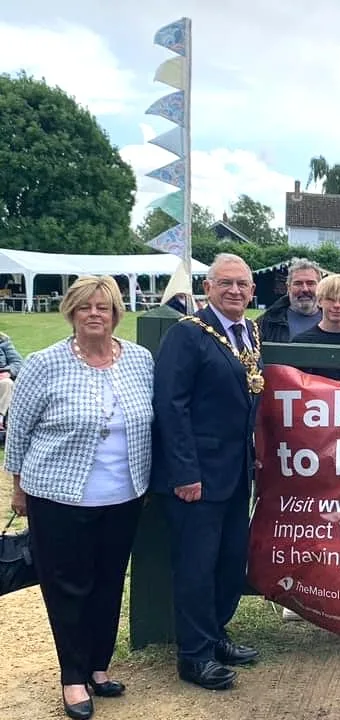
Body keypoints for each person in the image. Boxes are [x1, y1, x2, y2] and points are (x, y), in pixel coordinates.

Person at [5, 276, 154, 720]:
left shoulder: (140, 361)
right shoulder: (43, 363)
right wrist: (18, 487)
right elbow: (19, 429)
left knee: (109, 584)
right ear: (71, 312)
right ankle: (73, 675)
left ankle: (99, 666)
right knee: (68, 586)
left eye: (103, 307)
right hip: (58, 495)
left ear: (115, 314)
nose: (94, 314)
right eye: (85, 307)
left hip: (124, 494)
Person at [152, 253, 263, 691]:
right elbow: (171, 406)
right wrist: (184, 472)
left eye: (243, 285)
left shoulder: (249, 332)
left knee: (230, 559)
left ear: (253, 292)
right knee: (197, 566)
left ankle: (216, 633)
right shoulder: (188, 335)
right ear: (208, 288)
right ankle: (193, 655)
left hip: (236, 471)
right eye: (226, 283)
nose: (235, 291)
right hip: (196, 474)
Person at [256, 258, 324, 342]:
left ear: (320, 287)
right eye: (298, 283)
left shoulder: (334, 322)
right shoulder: (266, 323)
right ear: (288, 287)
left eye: (310, 283)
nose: (305, 289)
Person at [0, 331, 23, 432]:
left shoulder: (3, 342)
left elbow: (18, 363)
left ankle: (0, 420)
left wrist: (9, 372)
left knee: (7, 383)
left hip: (2, 378)